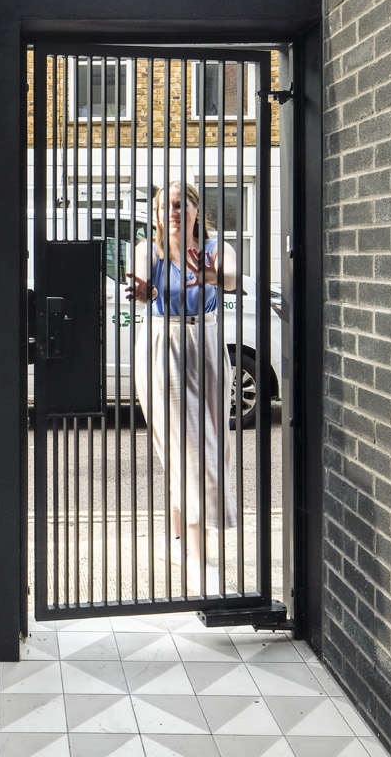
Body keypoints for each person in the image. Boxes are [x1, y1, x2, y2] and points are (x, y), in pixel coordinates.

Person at [127, 180, 241, 597]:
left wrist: (214, 275)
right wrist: (143, 292)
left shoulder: (214, 249)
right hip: (164, 344)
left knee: (212, 444)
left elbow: (231, 279)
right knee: (193, 449)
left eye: (180, 204)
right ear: (155, 216)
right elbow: (141, 290)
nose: (172, 212)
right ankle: (197, 557)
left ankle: (174, 540)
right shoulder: (148, 251)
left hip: (208, 344)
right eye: (164, 207)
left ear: (195, 209)